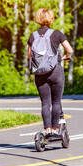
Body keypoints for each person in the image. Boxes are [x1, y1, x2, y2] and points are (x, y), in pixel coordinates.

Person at [27, 8, 73, 137]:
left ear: (37, 19)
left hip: (40, 74)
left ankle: (47, 130)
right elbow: (69, 50)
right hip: (55, 72)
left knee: (45, 103)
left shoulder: (33, 35)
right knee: (56, 102)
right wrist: (66, 57)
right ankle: (54, 129)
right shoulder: (57, 34)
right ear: (51, 19)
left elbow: (30, 56)